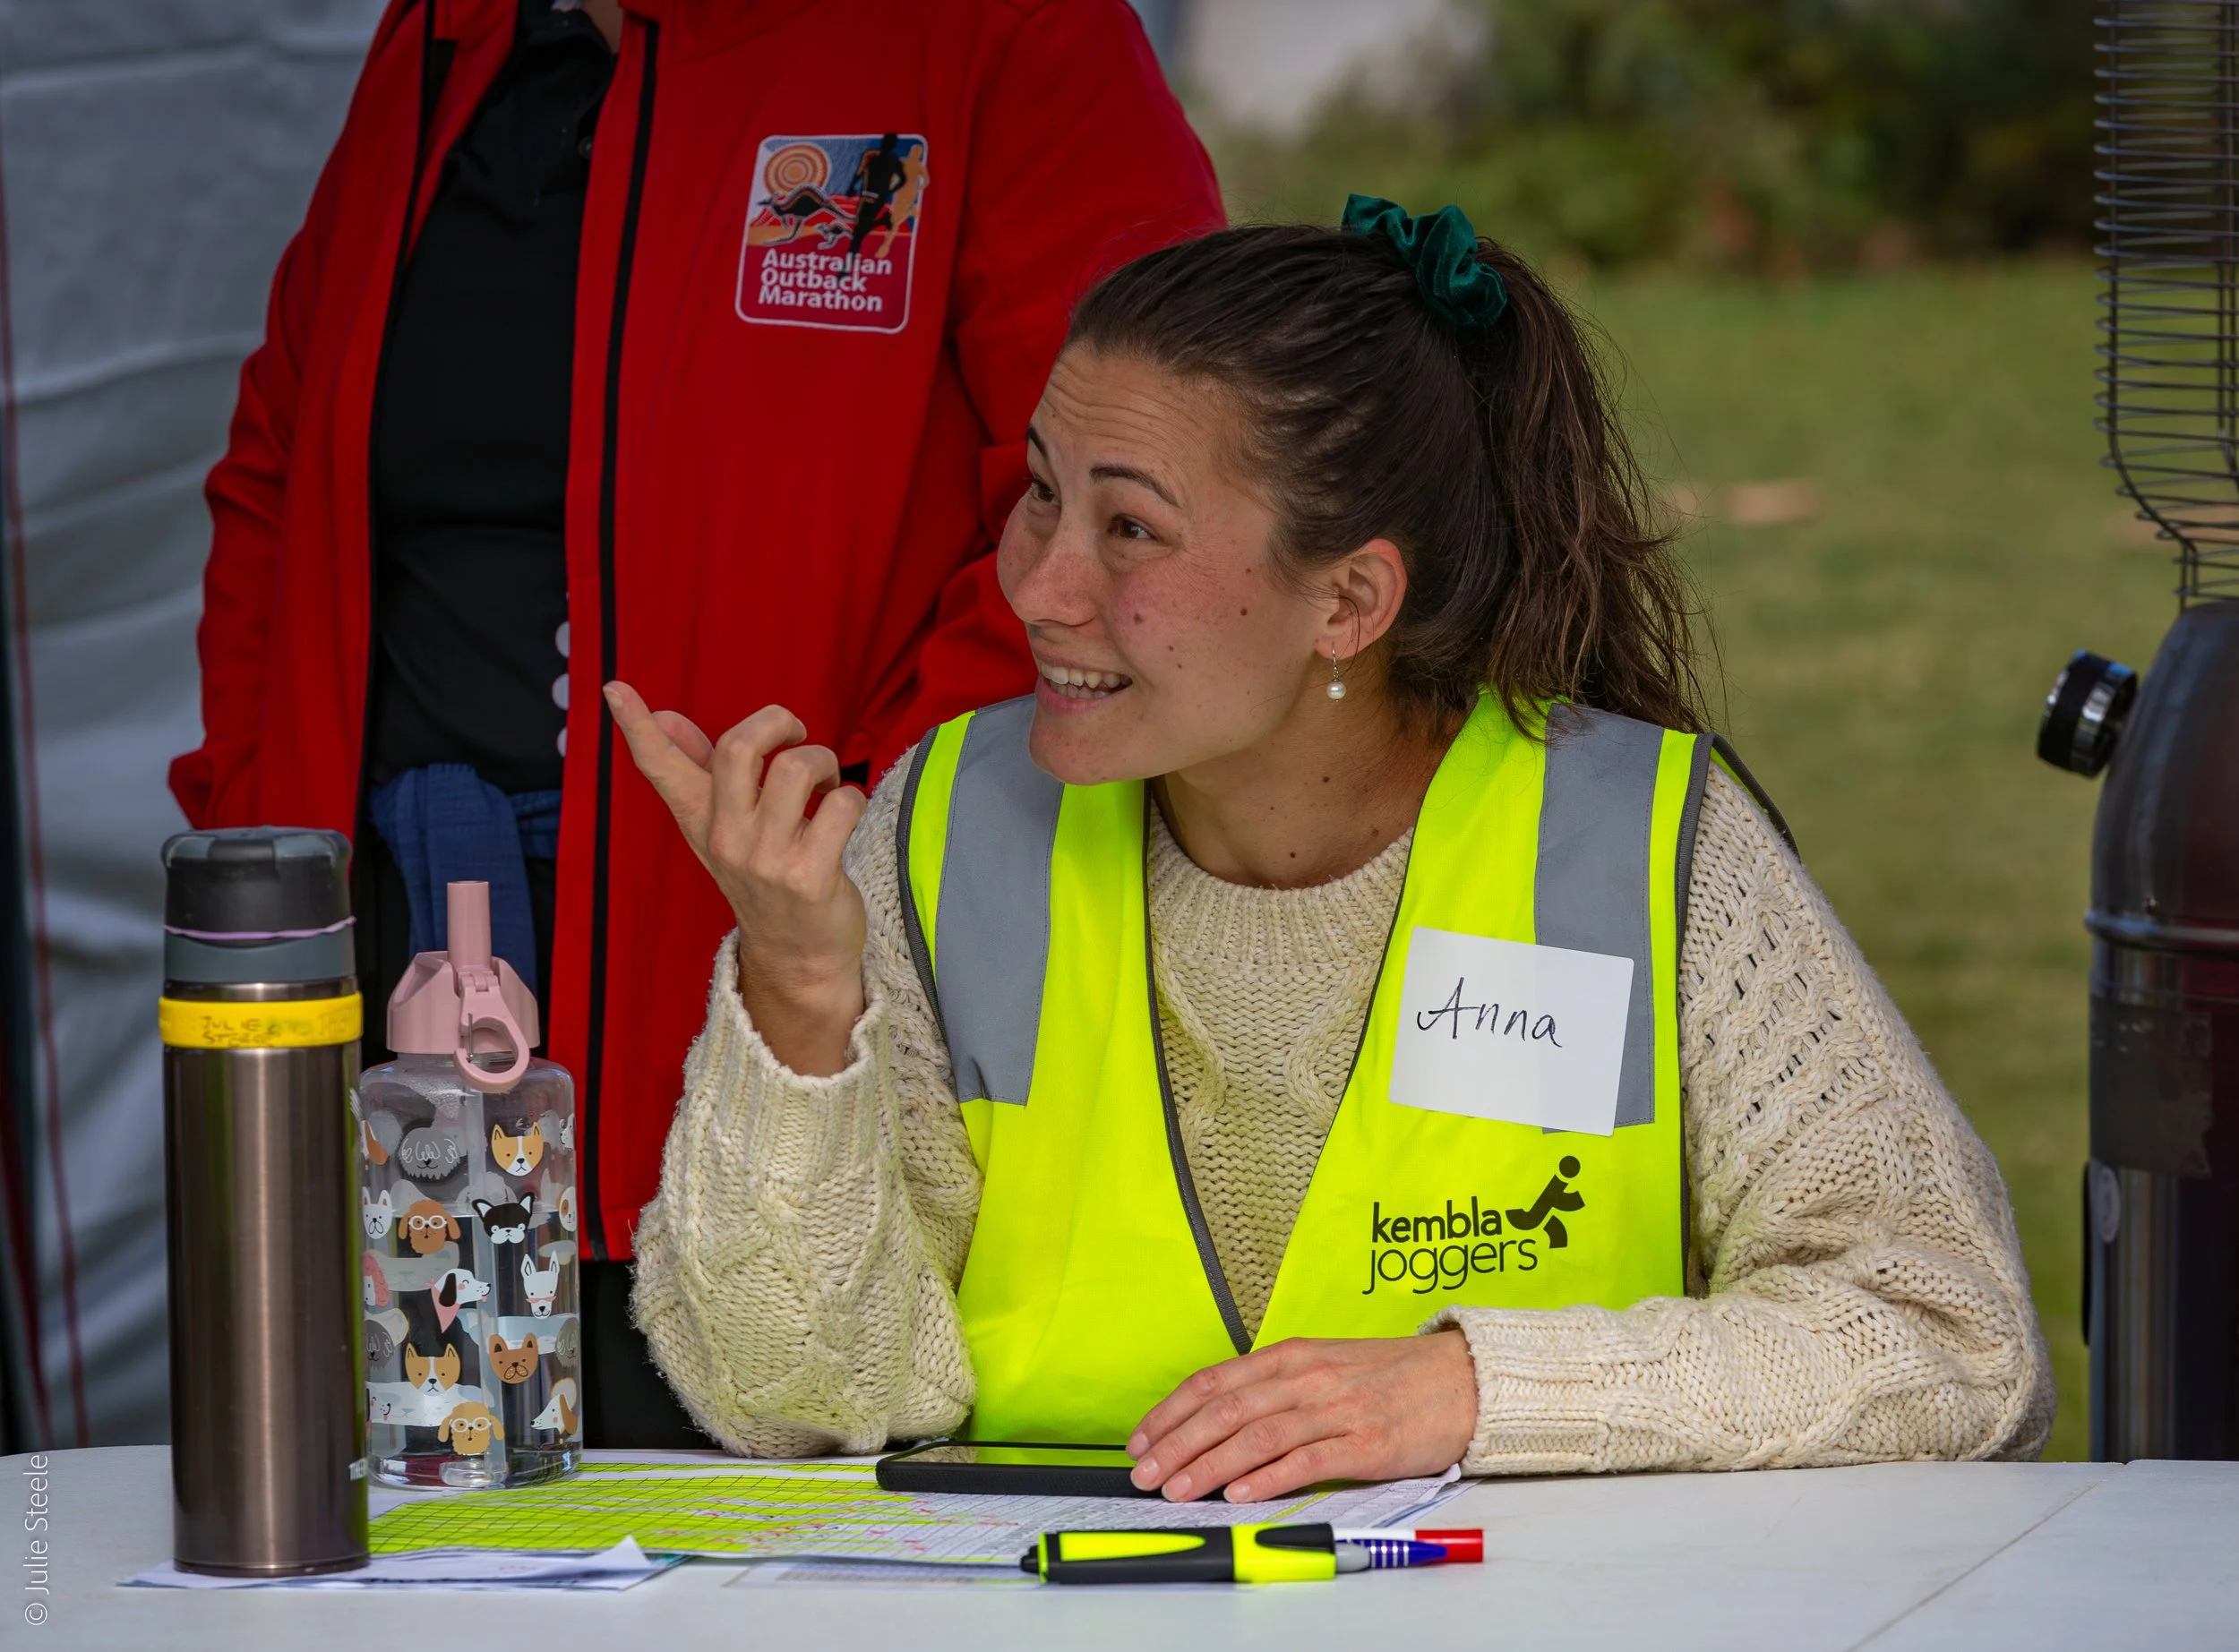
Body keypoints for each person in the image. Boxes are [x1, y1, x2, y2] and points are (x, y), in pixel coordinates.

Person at [608, 200, 2054, 1494]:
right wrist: (797, 996)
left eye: (1131, 528)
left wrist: (1476, 1389)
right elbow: (790, 1403)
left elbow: (1951, 1337)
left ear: (1350, 601)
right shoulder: (941, 827)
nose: (1039, 583)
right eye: (1042, 491)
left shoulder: (1652, 846)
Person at [168, 0, 1221, 1445]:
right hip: (433, 1008)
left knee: (747, 1525)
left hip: (789, 995)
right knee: (446, 1531)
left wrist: (856, 835)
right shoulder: (446, 42)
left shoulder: (998, 33)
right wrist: (256, 835)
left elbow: (1139, 514)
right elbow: (279, 472)